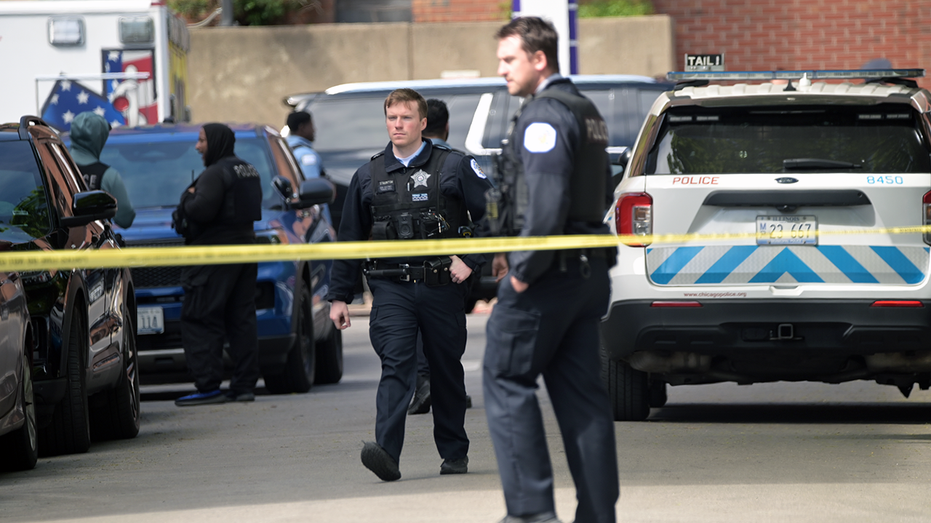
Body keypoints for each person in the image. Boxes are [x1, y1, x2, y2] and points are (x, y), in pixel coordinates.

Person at [483, 17, 619, 523]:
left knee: (504, 378)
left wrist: (522, 272)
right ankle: (598, 515)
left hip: (547, 277)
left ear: (539, 59)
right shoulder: (585, 109)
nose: (501, 70)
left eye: (509, 59)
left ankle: (530, 512)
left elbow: (546, 202)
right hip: (585, 275)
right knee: (583, 399)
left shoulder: (543, 115)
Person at [327, 88, 493, 481]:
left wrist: (470, 260)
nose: (398, 125)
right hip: (391, 288)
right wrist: (338, 297)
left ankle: (454, 453)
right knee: (396, 365)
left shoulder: (454, 166)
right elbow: (349, 239)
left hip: (441, 286)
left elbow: (494, 215)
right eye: (392, 118)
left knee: (445, 370)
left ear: (422, 123)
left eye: (405, 118)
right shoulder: (368, 175)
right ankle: (386, 454)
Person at [173, 123, 263, 407]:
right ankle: (244, 385)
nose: (198, 146)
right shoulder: (248, 169)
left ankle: (208, 386)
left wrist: (188, 197)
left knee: (200, 317)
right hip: (244, 251)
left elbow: (201, 210)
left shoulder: (215, 173)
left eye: (202, 140)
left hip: (214, 257)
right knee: (241, 318)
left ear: (216, 141)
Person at [407, 98, 472, 416]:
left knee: (418, 324)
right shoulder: (459, 163)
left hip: (410, 263)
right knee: (449, 325)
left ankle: (425, 382)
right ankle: (447, 384)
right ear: (446, 127)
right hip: (454, 264)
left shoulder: (401, 164)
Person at [68, 111, 136, 228]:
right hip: (94, 239)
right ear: (100, 138)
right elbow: (125, 220)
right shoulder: (108, 176)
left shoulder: (52, 166)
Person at [286, 110, 332, 224]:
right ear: (302, 127)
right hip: (312, 221)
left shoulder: (282, 150)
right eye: (311, 126)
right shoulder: (306, 155)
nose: (314, 130)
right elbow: (314, 192)